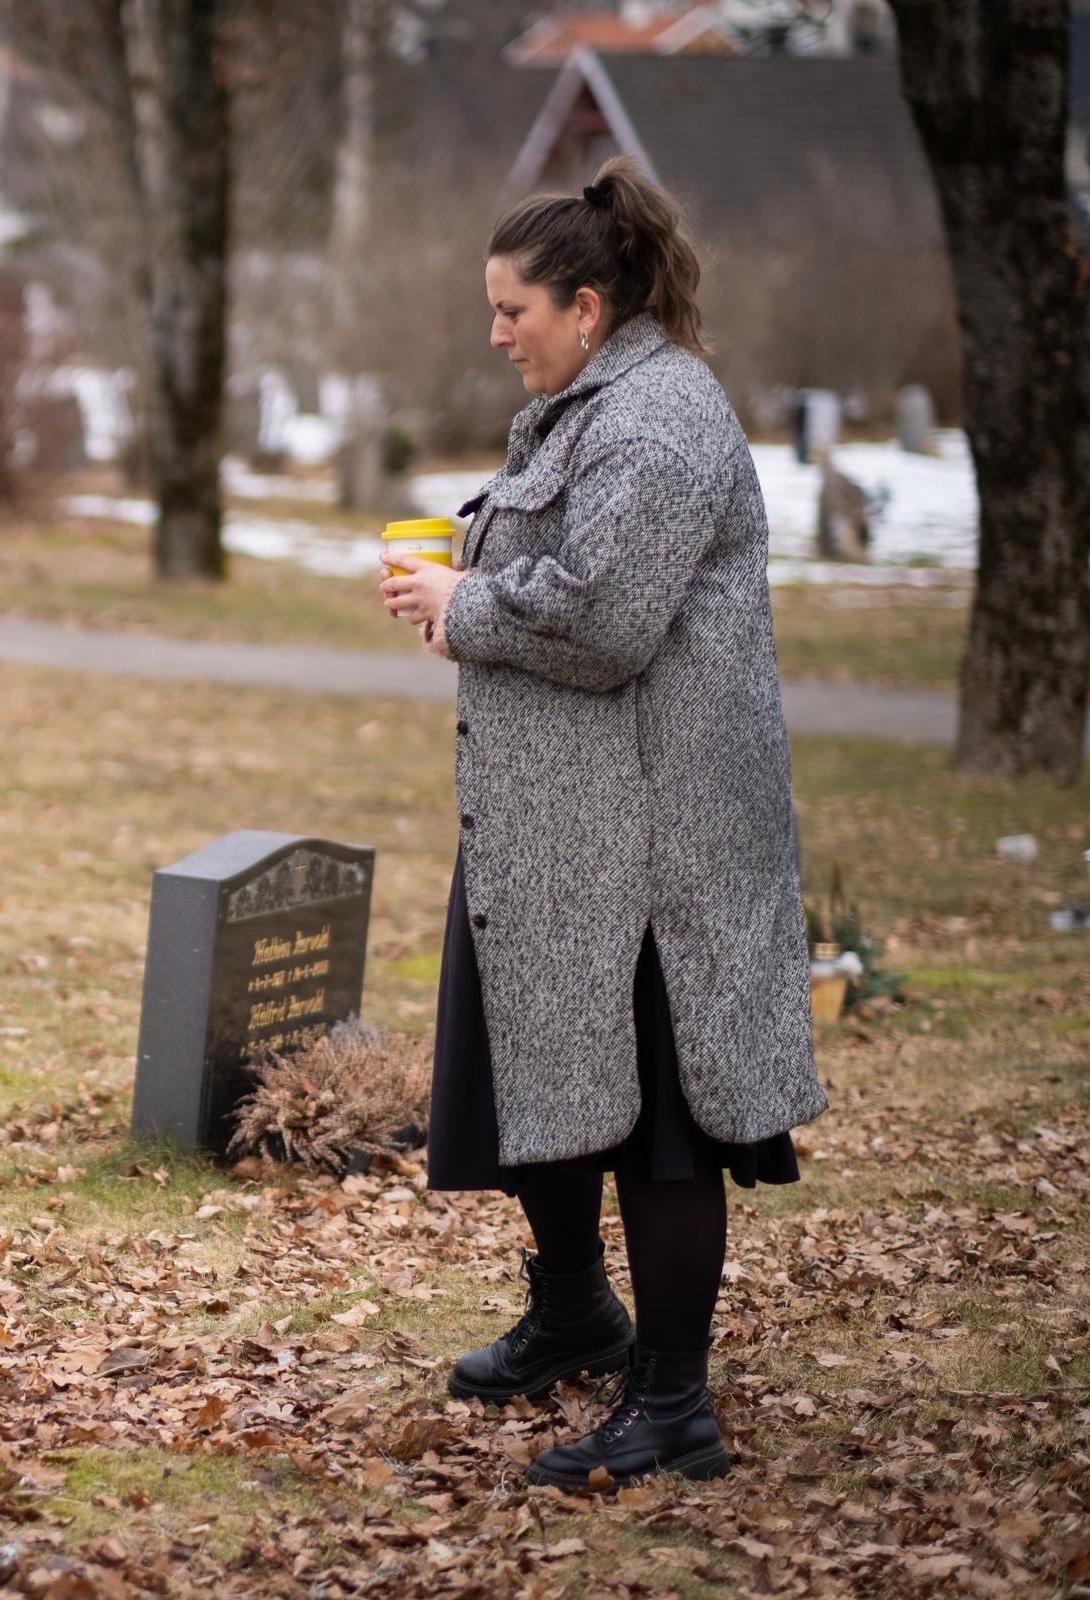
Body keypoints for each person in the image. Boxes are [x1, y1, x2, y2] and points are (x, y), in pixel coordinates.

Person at [377, 154, 828, 1490]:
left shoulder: (658, 421)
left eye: (511, 310)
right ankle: (576, 1310)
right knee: (540, 1057)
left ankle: (675, 1403)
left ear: (586, 306)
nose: (495, 333)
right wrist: (465, 582)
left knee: (662, 1123)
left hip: (654, 846)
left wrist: (465, 607)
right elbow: (567, 571)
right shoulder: (587, 406)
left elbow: (608, 617)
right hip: (562, 827)